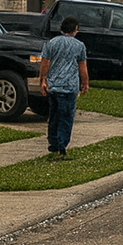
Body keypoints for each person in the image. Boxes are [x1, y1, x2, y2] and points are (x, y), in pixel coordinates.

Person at [39, 16, 88, 160]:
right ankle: (62, 146)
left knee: (54, 115)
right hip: (69, 86)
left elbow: (45, 63)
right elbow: (82, 66)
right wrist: (85, 82)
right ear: (74, 30)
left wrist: (43, 80)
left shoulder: (51, 43)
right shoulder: (79, 46)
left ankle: (53, 143)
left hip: (54, 86)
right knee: (66, 117)